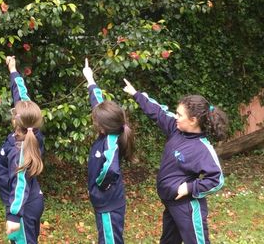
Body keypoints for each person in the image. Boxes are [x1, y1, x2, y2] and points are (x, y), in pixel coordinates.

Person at [122, 78, 228, 244]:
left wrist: (189, 187)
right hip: (172, 204)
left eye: (180, 115)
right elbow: (158, 112)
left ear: (193, 120)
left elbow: (217, 180)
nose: (176, 117)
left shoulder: (202, 149)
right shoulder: (176, 128)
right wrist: (136, 94)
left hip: (188, 209)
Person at [82, 58, 135, 244]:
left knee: (110, 240)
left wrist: (98, 189)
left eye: (96, 121)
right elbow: (98, 103)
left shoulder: (111, 144)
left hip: (108, 204)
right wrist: (90, 79)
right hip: (106, 202)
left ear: (104, 126)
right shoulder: (111, 129)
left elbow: (111, 170)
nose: (94, 122)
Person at [0, 56, 45, 244]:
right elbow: (22, 96)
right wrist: (14, 71)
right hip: (29, 202)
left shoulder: (20, 150)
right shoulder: (32, 128)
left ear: (16, 120)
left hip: (23, 206)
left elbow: (20, 182)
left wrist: (14, 215)